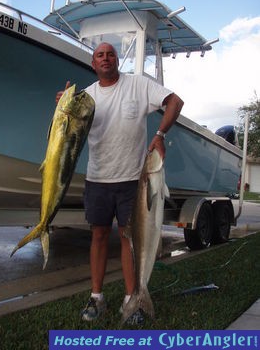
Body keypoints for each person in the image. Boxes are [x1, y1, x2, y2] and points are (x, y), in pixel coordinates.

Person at [56, 42, 183, 323]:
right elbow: (67, 131)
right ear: (93, 63)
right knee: (99, 236)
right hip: (98, 177)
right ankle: (97, 298)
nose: (105, 58)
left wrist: (160, 135)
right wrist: (62, 109)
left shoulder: (138, 85)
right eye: (99, 55)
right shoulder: (85, 97)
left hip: (133, 182)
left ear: (117, 60)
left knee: (130, 240)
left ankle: (132, 298)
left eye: (110, 53)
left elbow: (175, 102)